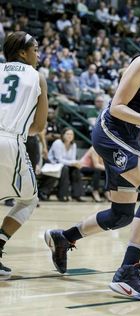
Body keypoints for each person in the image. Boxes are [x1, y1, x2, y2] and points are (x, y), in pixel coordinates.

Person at [44, 9, 140, 301]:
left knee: (121, 215)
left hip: (133, 135)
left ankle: (64, 238)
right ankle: (127, 272)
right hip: (111, 131)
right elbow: (116, 107)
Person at [0, 31, 48, 276]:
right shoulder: (37, 76)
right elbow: (38, 127)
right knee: (28, 200)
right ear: (22, 52)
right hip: (10, 141)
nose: (38, 54)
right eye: (35, 49)